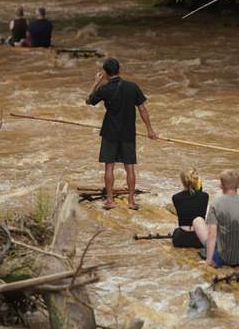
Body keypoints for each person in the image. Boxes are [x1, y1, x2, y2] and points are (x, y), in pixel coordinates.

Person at [86, 58, 157, 210]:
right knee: (130, 167)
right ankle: (131, 201)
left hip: (110, 132)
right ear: (120, 69)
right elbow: (142, 109)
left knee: (109, 167)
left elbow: (88, 101)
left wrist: (96, 83)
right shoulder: (132, 87)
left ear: (105, 73)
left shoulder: (104, 89)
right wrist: (150, 130)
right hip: (128, 132)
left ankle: (110, 200)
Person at [203, 170, 239, 268]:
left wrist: (208, 261)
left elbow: (212, 234)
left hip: (225, 258)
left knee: (204, 236)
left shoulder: (215, 204)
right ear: (238, 184)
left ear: (221, 185)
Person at [171, 168, 209, 249]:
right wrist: (199, 188)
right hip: (199, 238)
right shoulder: (205, 196)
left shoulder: (175, 197)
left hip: (180, 239)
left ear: (182, 182)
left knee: (176, 231)